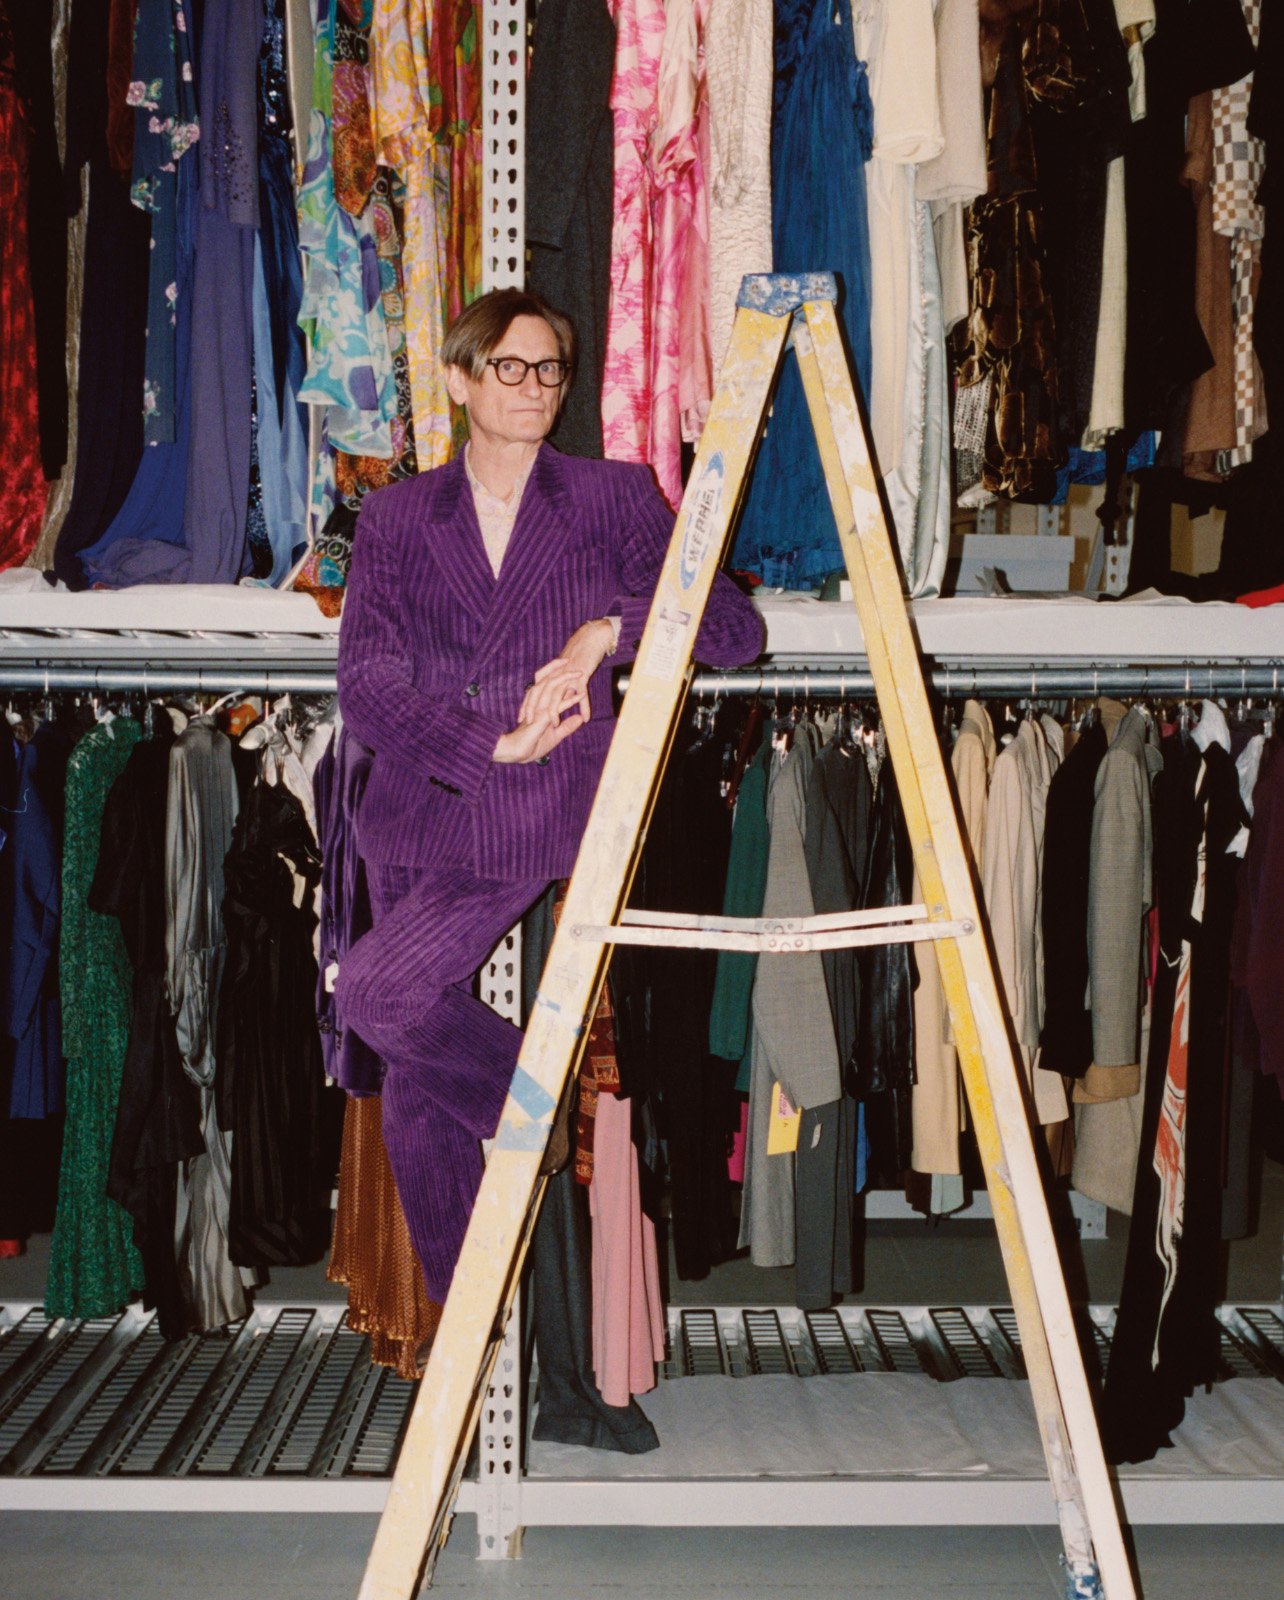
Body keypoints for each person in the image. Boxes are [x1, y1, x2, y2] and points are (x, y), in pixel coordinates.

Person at [335, 288, 763, 1301]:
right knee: (411, 1076)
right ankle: (465, 1312)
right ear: (459, 379)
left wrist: (606, 631)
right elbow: (366, 683)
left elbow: (733, 631)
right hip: (416, 803)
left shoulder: (610, 495)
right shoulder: (398, 515)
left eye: (549, 370)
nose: (534, 389)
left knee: (374, 991)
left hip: (539, 815)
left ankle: (544, 1110)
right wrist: (491, 740)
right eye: (510, 368)